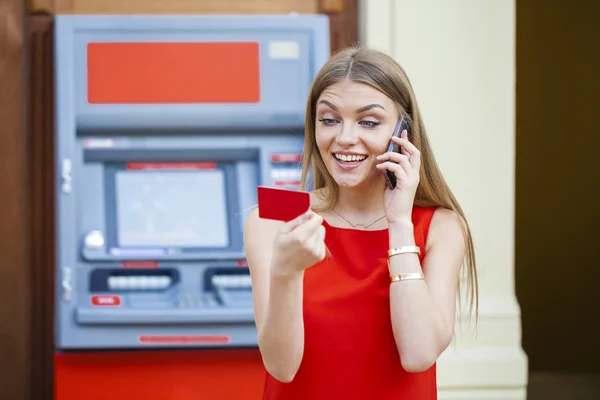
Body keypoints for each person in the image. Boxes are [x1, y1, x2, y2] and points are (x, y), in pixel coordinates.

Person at [244, 46, 478, 400]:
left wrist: (399, 221)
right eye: (329, 119)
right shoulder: (273, 218)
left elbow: (418, 355)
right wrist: (286, 272)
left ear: (403, 132)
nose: (345, 138)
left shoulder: (441, 227)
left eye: (368, 122)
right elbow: (281, 366)